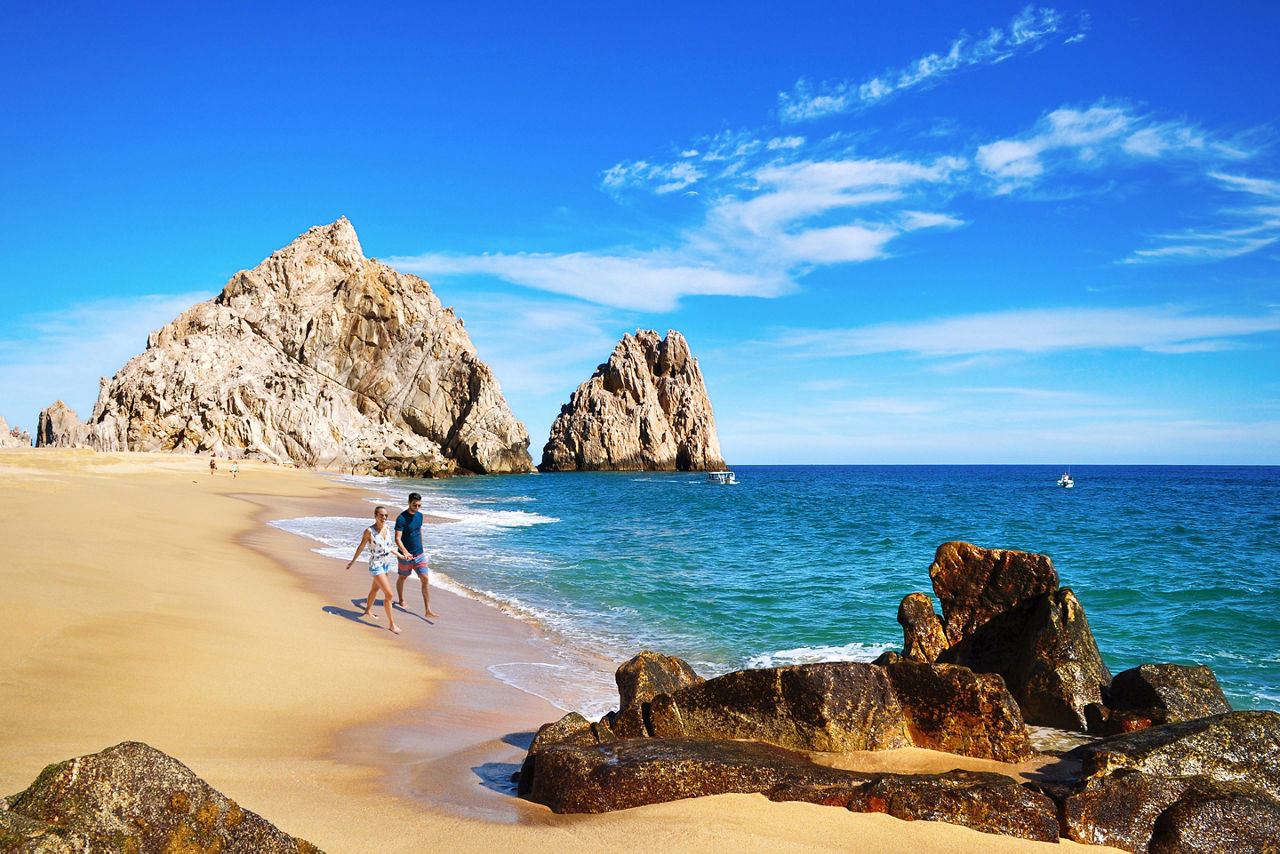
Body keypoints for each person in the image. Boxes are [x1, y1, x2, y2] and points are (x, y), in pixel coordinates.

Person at [346, 506, 406, 634]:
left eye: (386, 516)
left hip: (386, 563)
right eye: (381, 515)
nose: (384, 518)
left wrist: (401, 555)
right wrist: (353, 561)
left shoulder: (387, 528)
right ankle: (391, 624)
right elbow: (361, 546)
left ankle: (367, 610)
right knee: (389, 594)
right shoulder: (369, 531)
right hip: (376, 563)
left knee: (375, 588)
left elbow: (389, 547)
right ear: (375, 516)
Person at [395, 492, 439, 617]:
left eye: (419, 505)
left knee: (425, 579)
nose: (417, 508)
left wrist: (422, 548)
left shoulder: (420, 516)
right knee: (402, 577)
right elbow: (397, 538)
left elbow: (419, 531)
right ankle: (401, 600)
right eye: (414, 505)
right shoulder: (401, 518)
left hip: (419, 554)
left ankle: (428, 610)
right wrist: (404, 551)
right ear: (409, 503)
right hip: (405, 555)